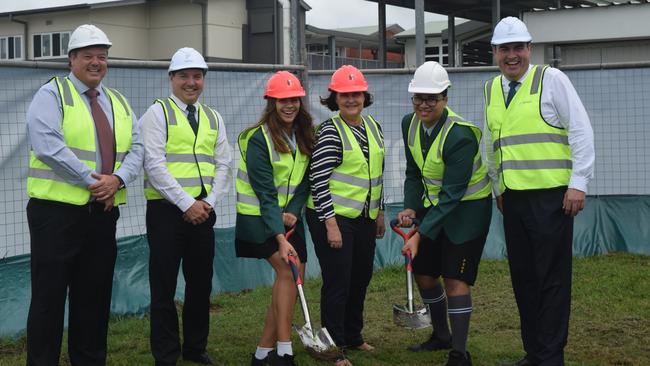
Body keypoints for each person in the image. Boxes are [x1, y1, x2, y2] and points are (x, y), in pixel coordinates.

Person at [25, 24, 143, 365]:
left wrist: (118, 180)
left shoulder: (118, 101)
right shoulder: (51, 95)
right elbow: (48, 147)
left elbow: (138, 149)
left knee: (93, 298)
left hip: (102, 215)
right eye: (88, 56)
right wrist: (97, 182)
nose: (96, 62)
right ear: (72, 59)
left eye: (102, 57)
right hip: (56, 215)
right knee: (48, 299)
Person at [484, 17, 595, 366]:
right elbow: (493, 144)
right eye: (505, 49)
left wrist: (578, 183)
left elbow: (580, 131)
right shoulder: (491, 89)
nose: (512, 55)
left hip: (552, 198)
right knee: (524, 279)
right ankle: (534, 352)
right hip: (512, 200)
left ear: (529, 49)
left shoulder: (551, 80)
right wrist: (497, 188)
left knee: (551, 280)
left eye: (518, 48)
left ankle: (550, 356)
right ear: (495, 52)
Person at [140, 47, 232, 366]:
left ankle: (195, 348)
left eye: (197, 76)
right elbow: (153, 165)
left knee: (199, 284)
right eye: (184, 76)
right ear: (171, 79)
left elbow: (224, 164)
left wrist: (207, 202)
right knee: (163, 285)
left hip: (203, 213)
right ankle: (166, 355)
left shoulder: (213, 117)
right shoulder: (157, 113)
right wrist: (186, 203)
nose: (191, 82)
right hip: (166, 213)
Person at [397, 61, 492, 366]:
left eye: (432, 98)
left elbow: (453, 194)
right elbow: (413, 172)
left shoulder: (461, 135)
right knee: (425, 274)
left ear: (445, 98)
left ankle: (459, 353)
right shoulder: (408, 124)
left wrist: (419, 235)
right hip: (434, 206)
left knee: (454, 278)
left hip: (468, 210)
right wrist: (410, 206)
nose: (424, 104)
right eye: (418, 97)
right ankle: (441, 335)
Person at [306, 65, 386, 366]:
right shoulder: (329, 131)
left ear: (364, 96)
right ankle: (333, 347)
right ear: (334, 98)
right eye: (344, 95)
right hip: (333, 218)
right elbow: (318, 179)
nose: (351, 100)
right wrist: (330, 225)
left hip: (364, 216)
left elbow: (376, 174)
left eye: (356, 94)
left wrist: (378, 213)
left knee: (360, 276)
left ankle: (353, 336)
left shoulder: (373, 126)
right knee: (338, 281)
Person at [235, 71, 314, 366]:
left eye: (294, 99)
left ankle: (261, 353)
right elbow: (265, 192)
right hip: (259, 218)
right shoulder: (258, 139)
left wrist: (293, 210)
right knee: (286, 272)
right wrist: (280, 237)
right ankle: (284, 351)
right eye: (282, 100)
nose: (289, 105)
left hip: (289, 218)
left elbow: (305, 180)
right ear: (271, 102)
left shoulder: (305, 133)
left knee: (293, 279)